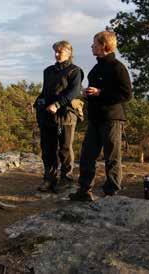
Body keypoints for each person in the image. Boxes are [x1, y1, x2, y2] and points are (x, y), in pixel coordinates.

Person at [70, 31, 132, 201]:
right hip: (95, 118)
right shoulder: (96, 67)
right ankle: (84, 191)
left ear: (104, 45)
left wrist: (100, 92)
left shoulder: (117, 67)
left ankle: (111, 193)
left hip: (112, 119)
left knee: (112, 157)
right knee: (87, 156)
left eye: (94, 43)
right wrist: (88, 94)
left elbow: (126, 94)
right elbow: (96, 93)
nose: (91, 46)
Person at [34, 41, 83, 193]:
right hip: (47, 115)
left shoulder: (75, 71)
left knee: (65, 148)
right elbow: (45, 91)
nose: (56, 54)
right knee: (47, 148)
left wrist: (57, 104)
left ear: (69, 53)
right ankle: (49, 178)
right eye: (55, 51)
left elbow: (74, 92)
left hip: (66, 115)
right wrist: (38, 103)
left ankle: (66, 179)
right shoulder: (48, 71)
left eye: (59, 52)